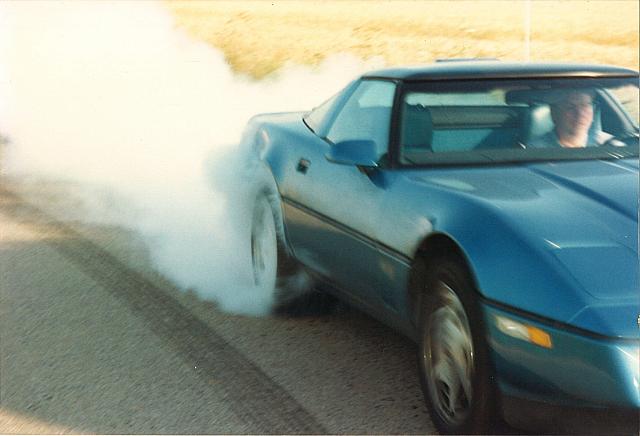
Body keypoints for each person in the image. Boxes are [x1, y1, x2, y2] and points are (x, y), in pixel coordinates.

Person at [529, 90, 611, 148]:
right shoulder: (536, 150)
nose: (580, 114)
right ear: (554, 114)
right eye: (570, 107)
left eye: (585, 105)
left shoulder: (607, 144)